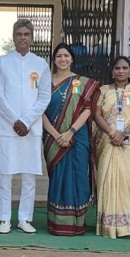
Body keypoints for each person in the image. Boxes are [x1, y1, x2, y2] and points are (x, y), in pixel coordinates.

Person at [0, 19, 51, 234]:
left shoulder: (41, 64)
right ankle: (4, 218)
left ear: (32, 38)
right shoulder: (2, 62)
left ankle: (25, 218)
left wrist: (26, 121)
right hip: (7, 128)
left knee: (29, 175)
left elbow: (44, 96)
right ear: (14, 37)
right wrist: (15, 120)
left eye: (26, 34)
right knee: (5, 175)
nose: (23, 38)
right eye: (19, 34)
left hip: (31, 129)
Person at [41, 43, 99, 236]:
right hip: (52, 137)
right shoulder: (44, 82)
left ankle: (78, 223)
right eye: (59, 56)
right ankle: (58, 223)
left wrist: (70, 132)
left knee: (78, 176)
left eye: (66, 56)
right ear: (54, 59)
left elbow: (88, 109)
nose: (63, 59)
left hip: (77, 136)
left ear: (72, 59)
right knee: (58, 178)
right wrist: (56, 135)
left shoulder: (82, 82)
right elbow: (39, 110)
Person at [94, 56, 130, 238]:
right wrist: (112, 133)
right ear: (112, 71)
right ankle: (108, 224)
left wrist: (123, 133)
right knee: (107, 179)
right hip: (108, 139)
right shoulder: (103, 91)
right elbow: (97, 115)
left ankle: (129, 225)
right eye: (117, 68)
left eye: (125, 68)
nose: (121, 71)